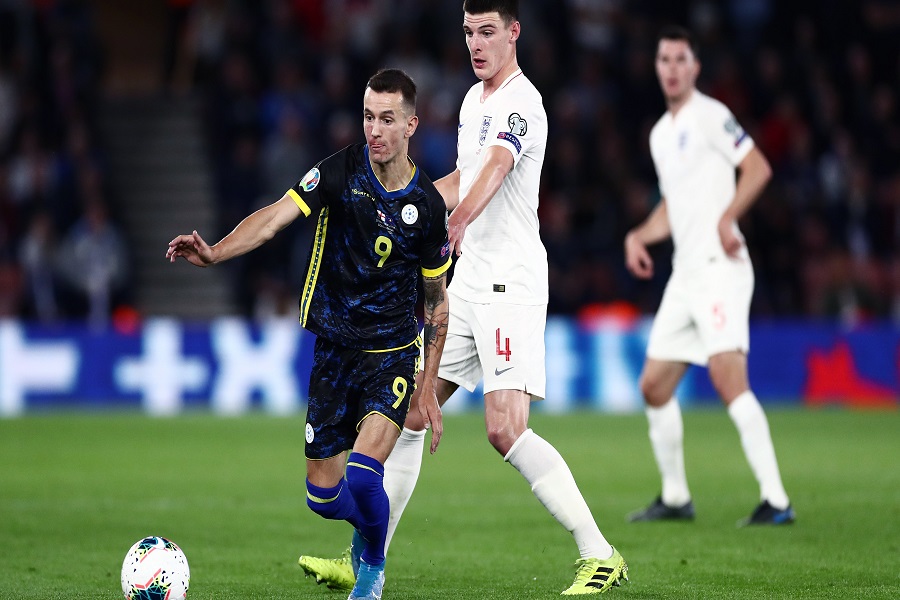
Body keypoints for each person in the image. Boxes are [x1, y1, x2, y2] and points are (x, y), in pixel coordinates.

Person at [298, 1, 628, 595]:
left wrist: (451, 226)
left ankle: (599, 553)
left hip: (510, 283)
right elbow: (457, 179)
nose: (476, 44)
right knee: (406, 418)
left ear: (514, 33)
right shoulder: (474, 102)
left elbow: (495, 169)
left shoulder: (522, 103)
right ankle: (365, 561)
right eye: (469, 32)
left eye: (488, 32)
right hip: (468, 283)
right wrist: (409, 206)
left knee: (504, 428)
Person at [167, 68, 452, 600]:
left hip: (390, 355)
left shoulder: (429, 209)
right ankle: (368, 539)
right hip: (333, 353)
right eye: (368, 116)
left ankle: (371, 568)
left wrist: (427, 382)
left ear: (411, 124)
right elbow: (276, 216)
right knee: (322, 499)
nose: (375, 129)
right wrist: (216, 252)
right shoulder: (341, 171)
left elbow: (436, 303)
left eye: (387, 119)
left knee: (366, 476)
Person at [623, 26, 795, 526]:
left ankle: (777, 501)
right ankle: (676, 498)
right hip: (686, 274)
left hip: (721, 268)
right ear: (657, 67)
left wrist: (727, 218)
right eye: (664, 59)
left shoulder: (712, 116)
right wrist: (639, 234)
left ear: (695, 67)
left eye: (681, 59)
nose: (672, 68)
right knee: (654, 385)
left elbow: (758, 168)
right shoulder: (659, 134)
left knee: (727, 378)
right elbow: (673, 208)